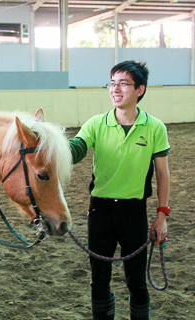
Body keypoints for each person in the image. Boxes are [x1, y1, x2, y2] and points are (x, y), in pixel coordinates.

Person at [69, 60, 170, 320]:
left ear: (140, 90)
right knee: (98, 280)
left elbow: (162, 173)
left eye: (123, 83)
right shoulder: (95, 124)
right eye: (112, 83)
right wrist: (50, 146)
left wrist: (162, 216)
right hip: (99, 210)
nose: (115, 89)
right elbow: (76, 149)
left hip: (134, 213)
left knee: (136, 281)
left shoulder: (155, 127)